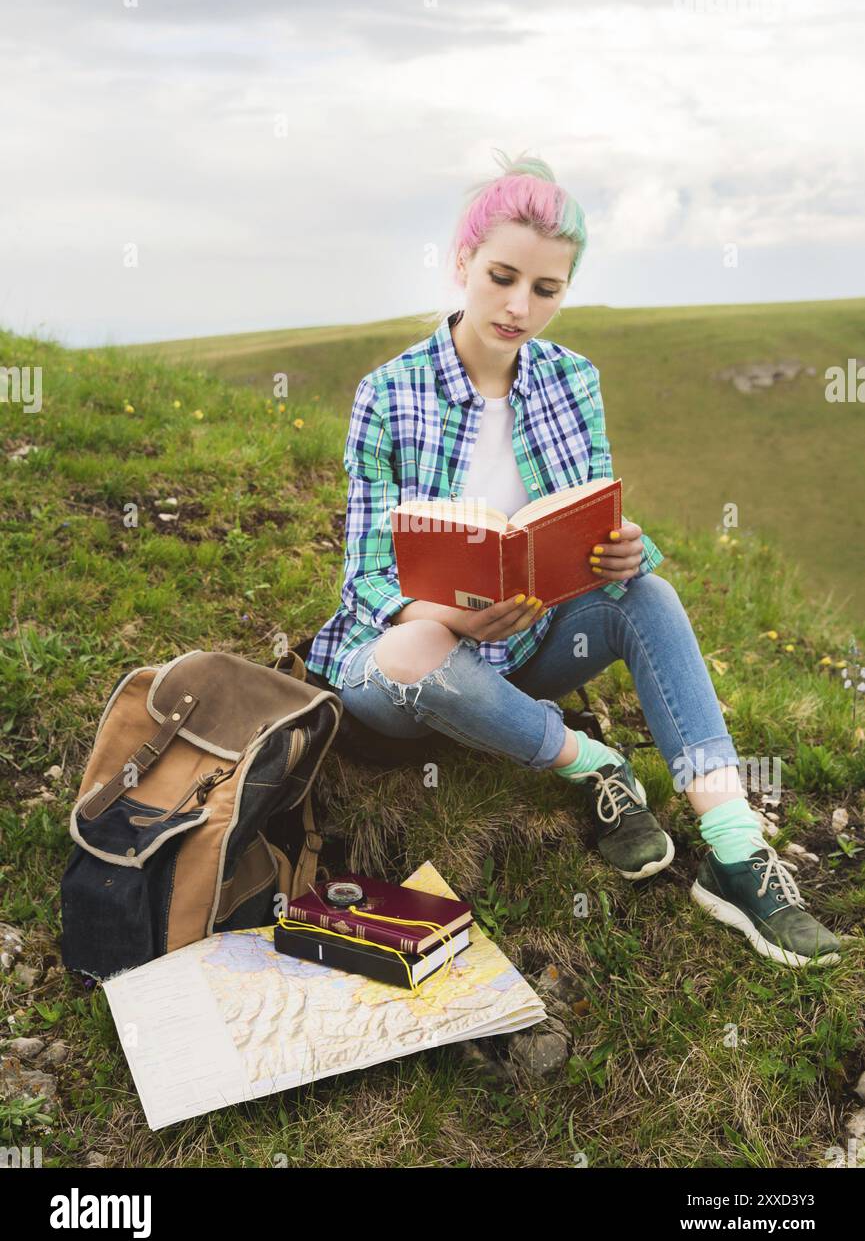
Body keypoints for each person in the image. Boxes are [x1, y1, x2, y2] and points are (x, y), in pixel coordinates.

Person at [305, 148, 842, 969]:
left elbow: (588, 518)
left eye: (545, 290)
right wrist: (449, 612)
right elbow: (367, 576)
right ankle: (589, 763)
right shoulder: (388, 392)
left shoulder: (571, 380)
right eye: (501, 277)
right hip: (411, 670)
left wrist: (622, 551)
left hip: (524, 643)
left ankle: (734, 852)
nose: (519, 306)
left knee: (650, 595)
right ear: (462, 264)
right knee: (417, 648)